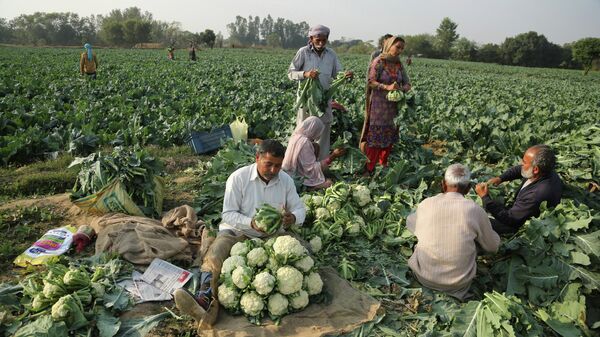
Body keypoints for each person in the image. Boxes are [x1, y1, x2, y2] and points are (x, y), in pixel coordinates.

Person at [174, 139, 306, 326]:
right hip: (237, 231)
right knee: (215, 253)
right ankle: (204, 298)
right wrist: (250, 223)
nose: (273, 170)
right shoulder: (238, 178)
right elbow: (228, 213)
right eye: (269, 164)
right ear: (257, 158)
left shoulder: (286, 181)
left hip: (272, 236)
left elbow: (300, 210)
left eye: (278, 166)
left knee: (301, 255)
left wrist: (292, 217)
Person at [407, 164, 500, 300]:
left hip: (423, 277)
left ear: (443, 185)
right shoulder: (475, 210)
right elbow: (492, 247)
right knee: (479, 240)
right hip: (457, 284)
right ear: (468, 189)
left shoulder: (426, 204)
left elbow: (410, 224)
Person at [288, 24, 353, 160]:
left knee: (324, 130)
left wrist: (345, 75)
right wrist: (305, 74)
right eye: (318, 39)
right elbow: (291, 73)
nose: (321, 42)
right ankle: (299, 161)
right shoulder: (303, 52)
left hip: (324, 100)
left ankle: (321, 164)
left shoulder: (331, 54)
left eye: (324, 40)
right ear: (311, 38)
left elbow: (337, 73)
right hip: (306, 100)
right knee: (303, 131)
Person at [475, 144, 562, 234]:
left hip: (516, 224)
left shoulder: (536, 195)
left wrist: (485, 197)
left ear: (535, 169)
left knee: (477, 220)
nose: (521, 164)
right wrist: (501, 178)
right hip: (521, 211)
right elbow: (519, 170)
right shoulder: (545, 170)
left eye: (524, 162)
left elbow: (510, 219)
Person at [360, 36, 411, 174]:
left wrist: (402, 89)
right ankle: (369, 168)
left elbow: (407, 83)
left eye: (402, 48)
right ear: (389, 46)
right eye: (397, 47)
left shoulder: (399, 64)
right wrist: (386, 87)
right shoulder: (379, 61)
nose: (399, 50)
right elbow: (371, 81)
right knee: (376, 137)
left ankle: (383, 164)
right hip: (378, 106)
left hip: (393, 108)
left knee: (389, 136)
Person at [282, 116, 346, 190]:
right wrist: (333, 156)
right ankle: (309, 187)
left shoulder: (295, 136)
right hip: (298, 179)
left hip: (288, 173)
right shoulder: (305, 142)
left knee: (315, 146)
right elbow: (311, 169)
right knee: (329, 183)